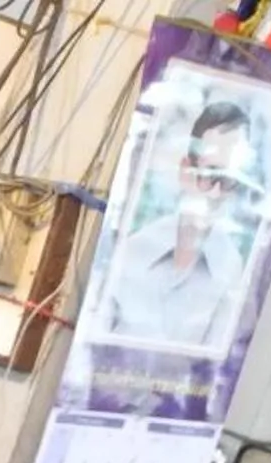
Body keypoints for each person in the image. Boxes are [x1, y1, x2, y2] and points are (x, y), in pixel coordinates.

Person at [101, 100, 259, 348]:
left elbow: (211, 371)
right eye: (210, 176)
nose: (216, 194)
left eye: (229, 181)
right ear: (186, 170)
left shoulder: (232, 275)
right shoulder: (132, 250)